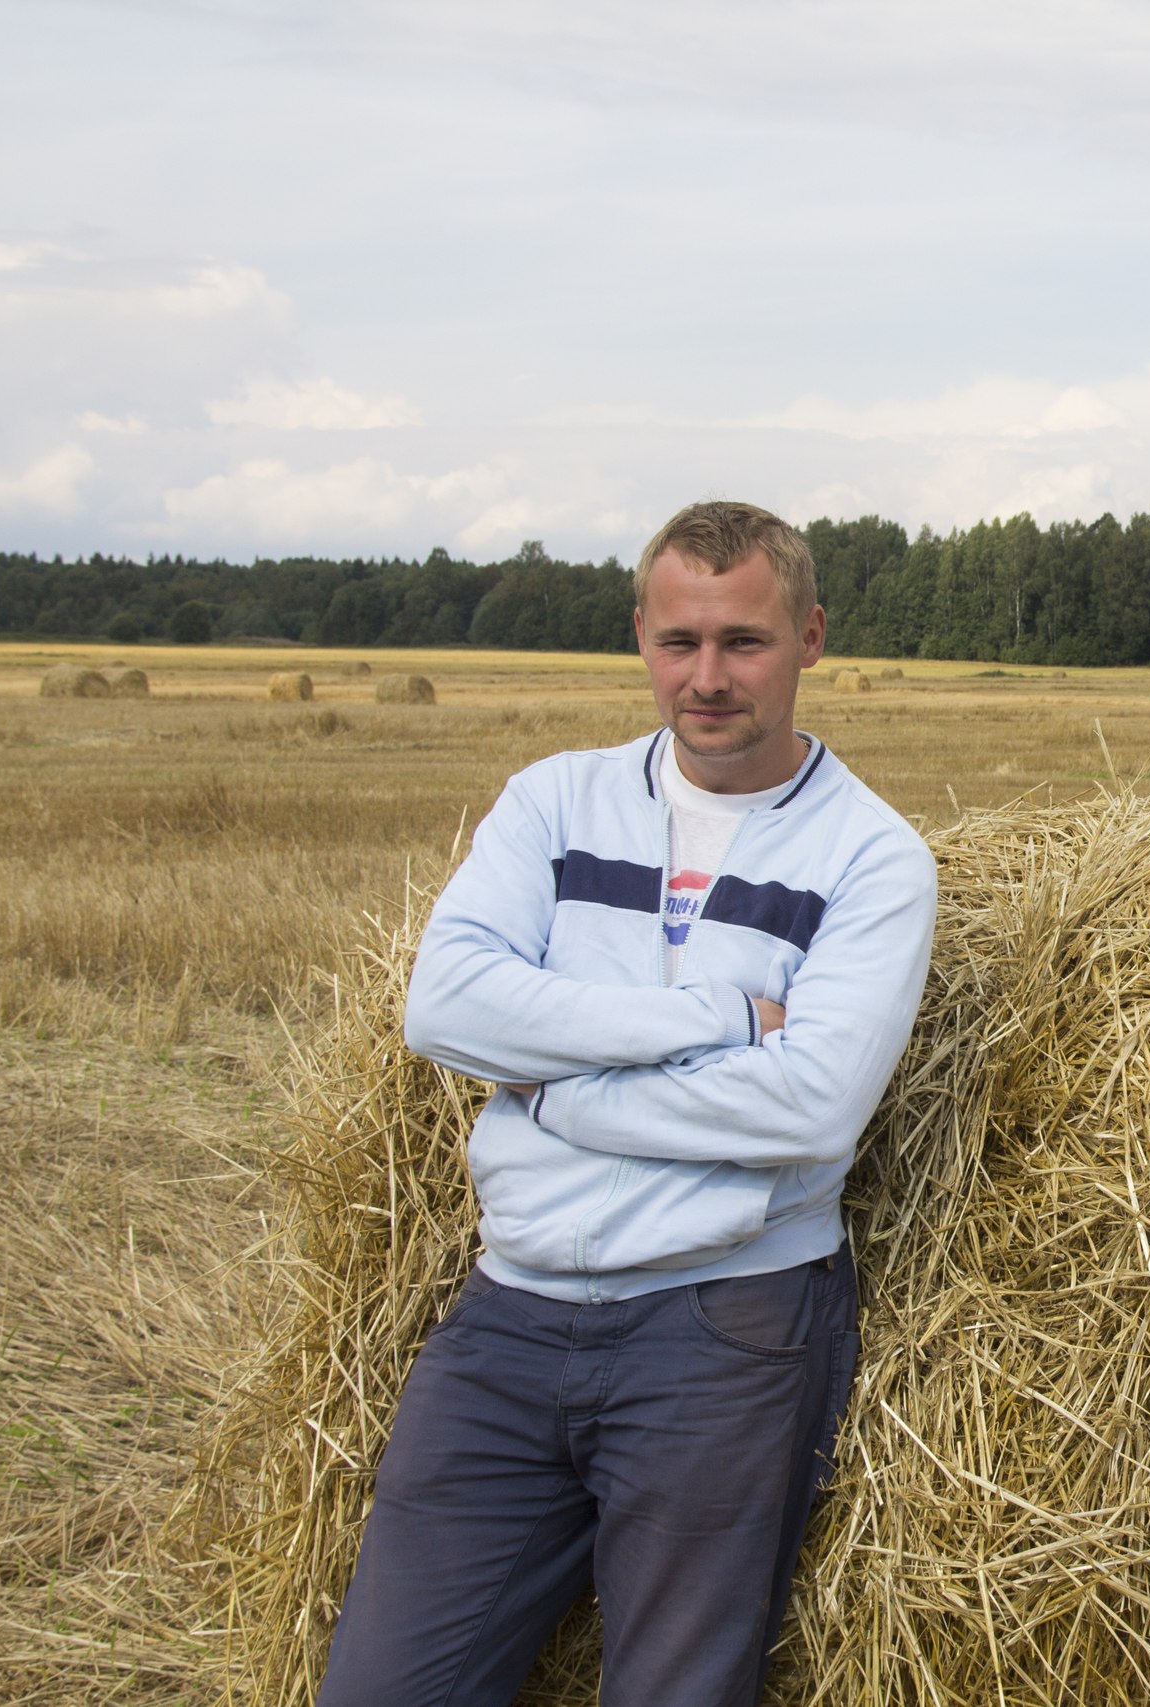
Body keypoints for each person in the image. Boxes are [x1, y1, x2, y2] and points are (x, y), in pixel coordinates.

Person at [316, 502, 938, 1707]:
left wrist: (551, 1094)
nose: (706, 679)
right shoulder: (554, 804)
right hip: (507, 1318)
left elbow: (809, 1111)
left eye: (743, 643)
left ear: (809, 637)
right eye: (679, 643)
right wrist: (710, 1020)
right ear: (641, 638)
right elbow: (445, 1007)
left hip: (724, 1331)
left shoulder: (870, 858)